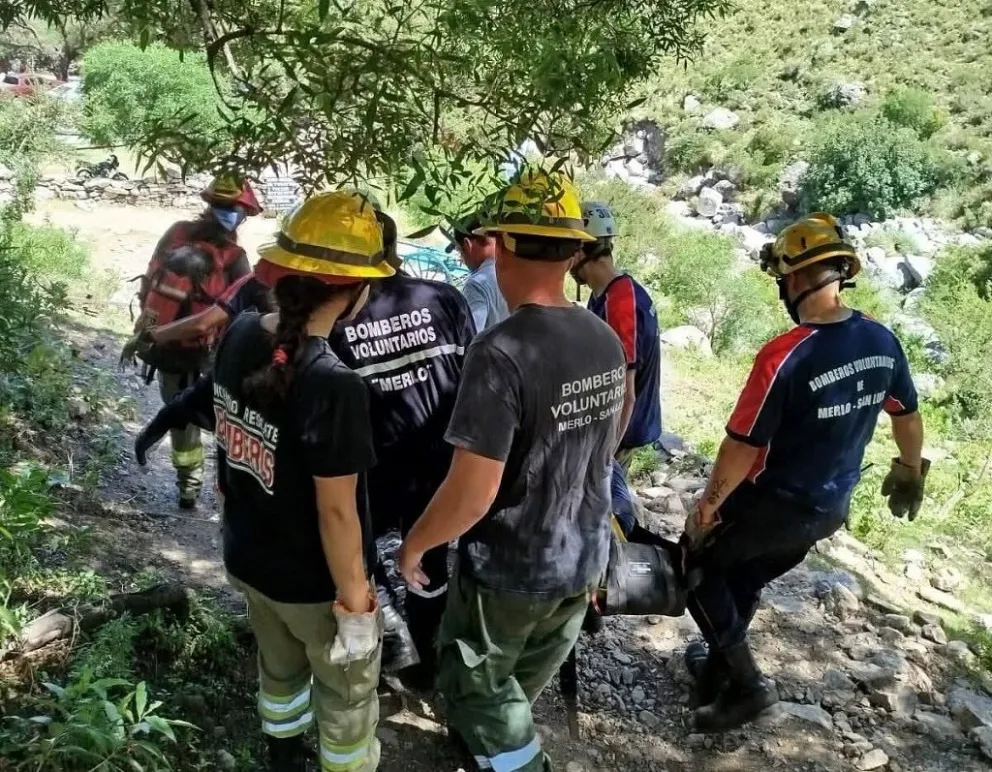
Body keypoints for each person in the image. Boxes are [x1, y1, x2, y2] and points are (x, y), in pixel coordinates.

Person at [132, 191, 394, 772]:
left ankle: (282, 759)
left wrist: (162, 420)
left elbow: (215, 410)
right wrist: (356, 608)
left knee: (278, 675)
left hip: (248, 562)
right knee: (346, 703)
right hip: (312, 587)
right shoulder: (336, 385)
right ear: (357, 290)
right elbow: (337, 513)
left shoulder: (243, 334)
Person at [398, 171, 626, 772]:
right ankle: (489, 749)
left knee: (477, 683)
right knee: (518, 684)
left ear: (504, 245)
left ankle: (518, 762)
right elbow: (612, 433)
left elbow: (474, 489)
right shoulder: (602, 337)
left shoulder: (500, 351)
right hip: (582, 555)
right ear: (574, 250)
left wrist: (415, 545)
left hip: (511, 567)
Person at [681, 213, 928, 732]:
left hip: (776, 501)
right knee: (744, 575)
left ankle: (748, 687)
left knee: (698, 570)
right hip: (829, 508)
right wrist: (910, 470)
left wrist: (706, 509)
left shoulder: (784, 355)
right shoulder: (882, 341)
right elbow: (905, 414)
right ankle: (716, 672)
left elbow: (743, 446)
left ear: (793, 279)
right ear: (840, 272)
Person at [330, 208, 476, 686]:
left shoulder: (340, 318)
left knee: (359, 555)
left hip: (371, 473)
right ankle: (423, 667)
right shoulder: (445, 299)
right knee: (429, 562)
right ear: (393, 251)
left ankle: (380, 646)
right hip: (439, 467)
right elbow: (473, 381)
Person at [128, 174, 262, 509]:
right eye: (228, 209)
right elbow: (244, 307)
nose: (231, 214)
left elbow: (150, 278)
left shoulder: (176, 233)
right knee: (225, 418)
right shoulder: (234, 256)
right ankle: (222, 488)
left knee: (180, 417)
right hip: (208, 351)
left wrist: (142, 335)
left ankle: (187, 487)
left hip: (167, 347)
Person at [570, 201, 661, 470]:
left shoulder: (620, 303)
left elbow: (626, 392)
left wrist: (604, 457)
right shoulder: (606, 294)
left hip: (619, 434)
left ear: (580, 250)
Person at [449, 214, 509, 331]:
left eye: (459, 250)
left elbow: (471, 334)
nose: (462, 259)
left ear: (467, 245)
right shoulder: (517, 270)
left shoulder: (476, 285)